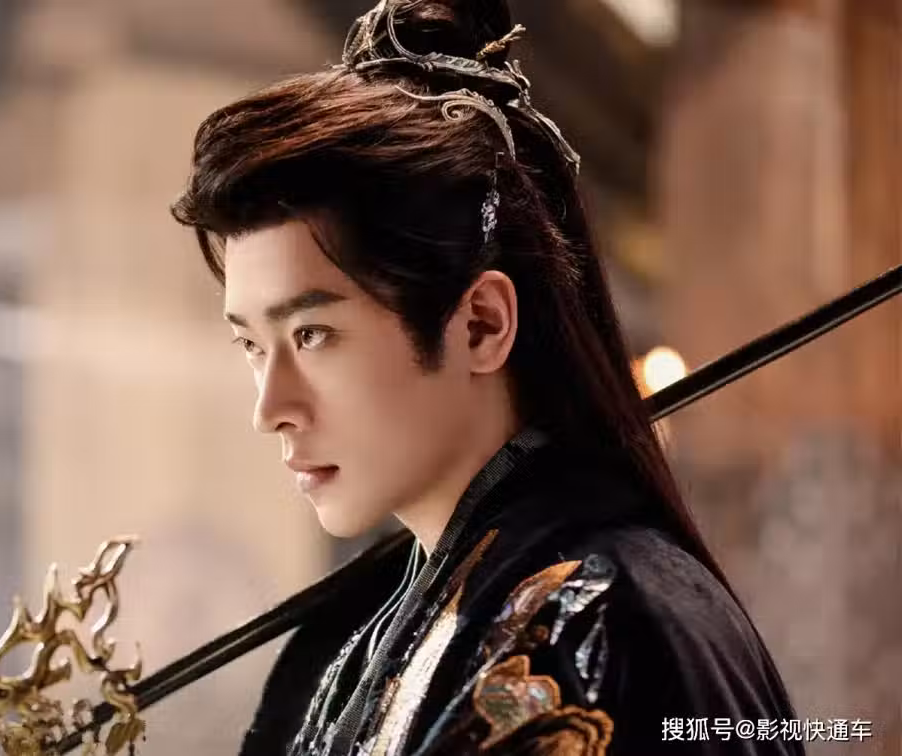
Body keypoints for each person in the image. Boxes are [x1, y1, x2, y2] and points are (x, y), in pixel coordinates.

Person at [170, 0, 801, 753]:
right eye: (251, 344)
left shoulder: (593, 628)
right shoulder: (364, 640)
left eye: (312, 335)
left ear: (481, 325)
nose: (271, 407)